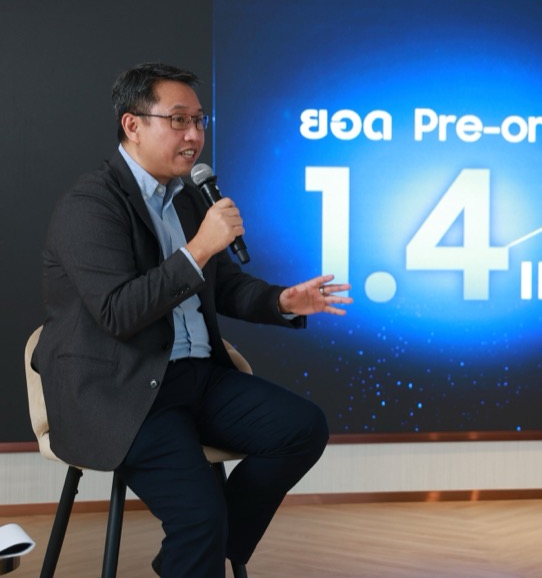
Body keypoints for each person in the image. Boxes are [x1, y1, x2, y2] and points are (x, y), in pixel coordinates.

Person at [31, 62, 352, 577]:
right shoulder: (90, 205)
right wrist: (199, 248)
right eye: (178, 119)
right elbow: (118, 312)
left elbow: (221, 286)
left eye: (200, 121)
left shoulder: (185, 200)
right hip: (121, 389)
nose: (194, 135)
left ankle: (197, 554)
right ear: (133, 125)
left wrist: (283, 301)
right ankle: (201, 544)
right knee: (200, 517)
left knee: (302, 428)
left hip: (196, 379)